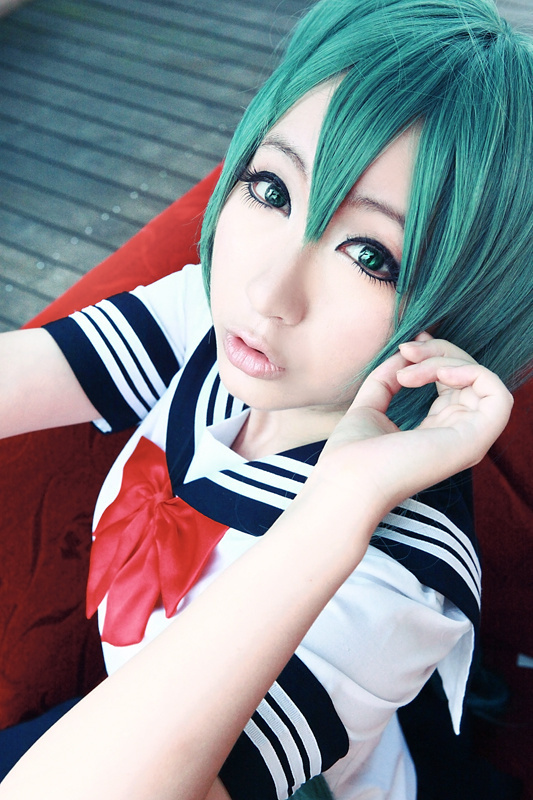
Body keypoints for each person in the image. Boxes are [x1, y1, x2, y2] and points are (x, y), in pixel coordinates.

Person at [0, 0, 532, 798]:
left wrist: (335, 509)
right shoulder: (211, 322)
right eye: (272, 190)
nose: (266, 292)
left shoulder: (392, 579)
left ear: (468, 306)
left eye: (370, 256)